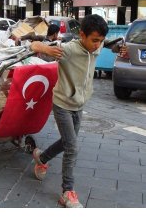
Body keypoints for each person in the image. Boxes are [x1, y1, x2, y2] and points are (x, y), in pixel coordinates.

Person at [30, 14, 127, 208]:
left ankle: (42, 157)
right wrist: (41, 46)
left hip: (79, 105)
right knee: (72, 147)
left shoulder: (97, 45)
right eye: (94, 40)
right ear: (82, 35)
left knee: (68, 143)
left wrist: (118, 47)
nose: (97, 45)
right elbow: (34, 47)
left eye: (99, 41)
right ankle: (67, 192)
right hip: (62, 104)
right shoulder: (68, 50)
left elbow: (108, 43)